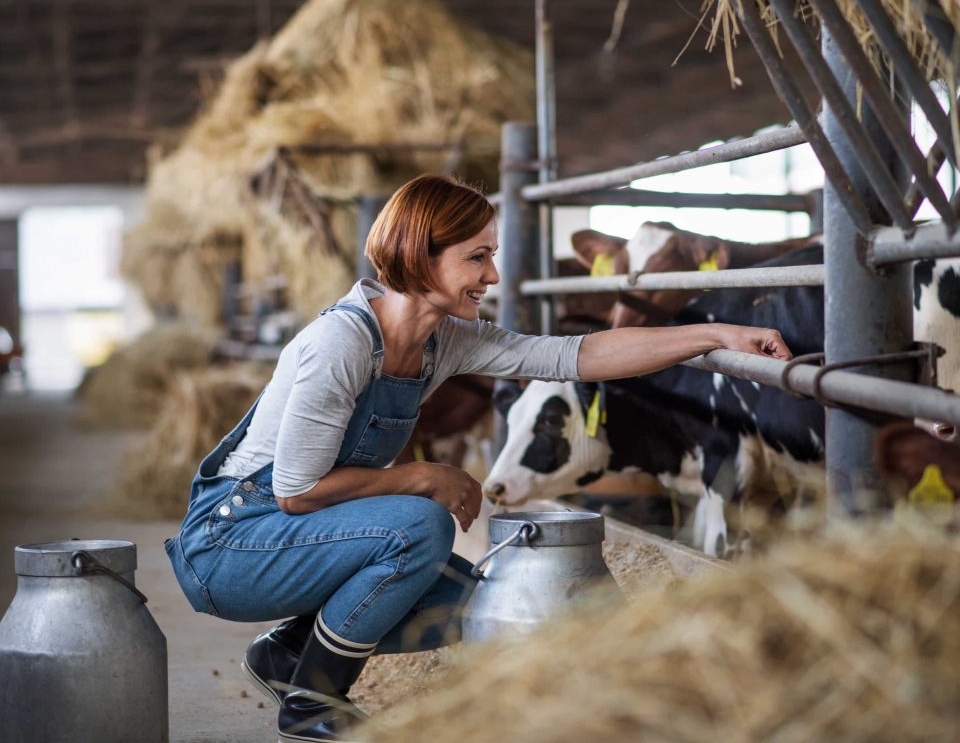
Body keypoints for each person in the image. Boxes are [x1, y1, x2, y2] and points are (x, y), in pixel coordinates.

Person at [164, 174, 792, 742]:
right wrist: (424, 476)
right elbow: (297, 491)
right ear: (418, 254)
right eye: (477, 257)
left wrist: (716, 337)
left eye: (491, 256)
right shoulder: (342, 343)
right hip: (232, 543)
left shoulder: (445, 340)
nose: (492, 276)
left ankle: (284, 656)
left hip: (290, 533)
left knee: (471, 602)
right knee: (420, 525)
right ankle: (310, 701)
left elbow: (576, 355)